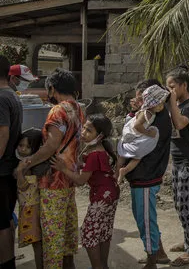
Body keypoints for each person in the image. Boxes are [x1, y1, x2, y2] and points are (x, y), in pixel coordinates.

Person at [19, 68, 82, 269]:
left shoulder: (58, 110)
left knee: (52, 236)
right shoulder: (79, 109)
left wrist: (26, 164)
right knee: (67, 232)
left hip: (53, 180)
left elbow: (50, 147)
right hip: (69, 178)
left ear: (53, 88)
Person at [52, 114, 119, 269]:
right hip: (110, 194)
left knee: (89, 234)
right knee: (103, 232)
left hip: (103, 197)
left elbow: (81, 181)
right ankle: (102, 266)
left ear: (100, 135)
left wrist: (63, 168)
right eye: (84, 127)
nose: (83, 132)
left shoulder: (94, 154)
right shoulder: (98, 150)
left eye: (89, 130)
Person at [126, 79, 173, 269]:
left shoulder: (158, 119)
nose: (139, 102)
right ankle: (154, 254)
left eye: (142, 98)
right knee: (142, 218)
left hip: (147, 176)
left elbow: (135, 136)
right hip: (141, 177)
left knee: (146, 220)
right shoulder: (151, 115)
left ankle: (152, 260)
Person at [165, 66, 189, 266]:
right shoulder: (175, 104)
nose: (169, 90)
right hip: (178, 162)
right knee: (180, 205)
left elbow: (179, 124)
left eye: (172, 86)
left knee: (186, 206)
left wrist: (171, 102)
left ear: (183, 85)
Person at [117, 85, 169, 183]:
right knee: (138, 156)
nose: (162, 107)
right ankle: (124, 170)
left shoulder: (146, 110)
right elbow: (137, 125)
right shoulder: (148, 113)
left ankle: (117, 173)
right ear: (152, 103)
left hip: (130, 133)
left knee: (122, 155)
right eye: (160, 104)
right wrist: (148, 133)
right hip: (133, 133)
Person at [0, 55, 22, 269]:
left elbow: (2, 134)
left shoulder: (0, 98)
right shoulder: (12, 95)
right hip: (10, 168)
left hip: (1, 170)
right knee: (6, 218)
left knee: (1, 223)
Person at [15, 129, 43, 269]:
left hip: (30, 210)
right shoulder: (35, 163)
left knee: (37, 244)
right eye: (21, 145)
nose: (23, 149)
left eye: (27, 147)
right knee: (38, 244)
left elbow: (23, 186)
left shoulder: (26, 165)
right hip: (32, 208)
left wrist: (20, 171)